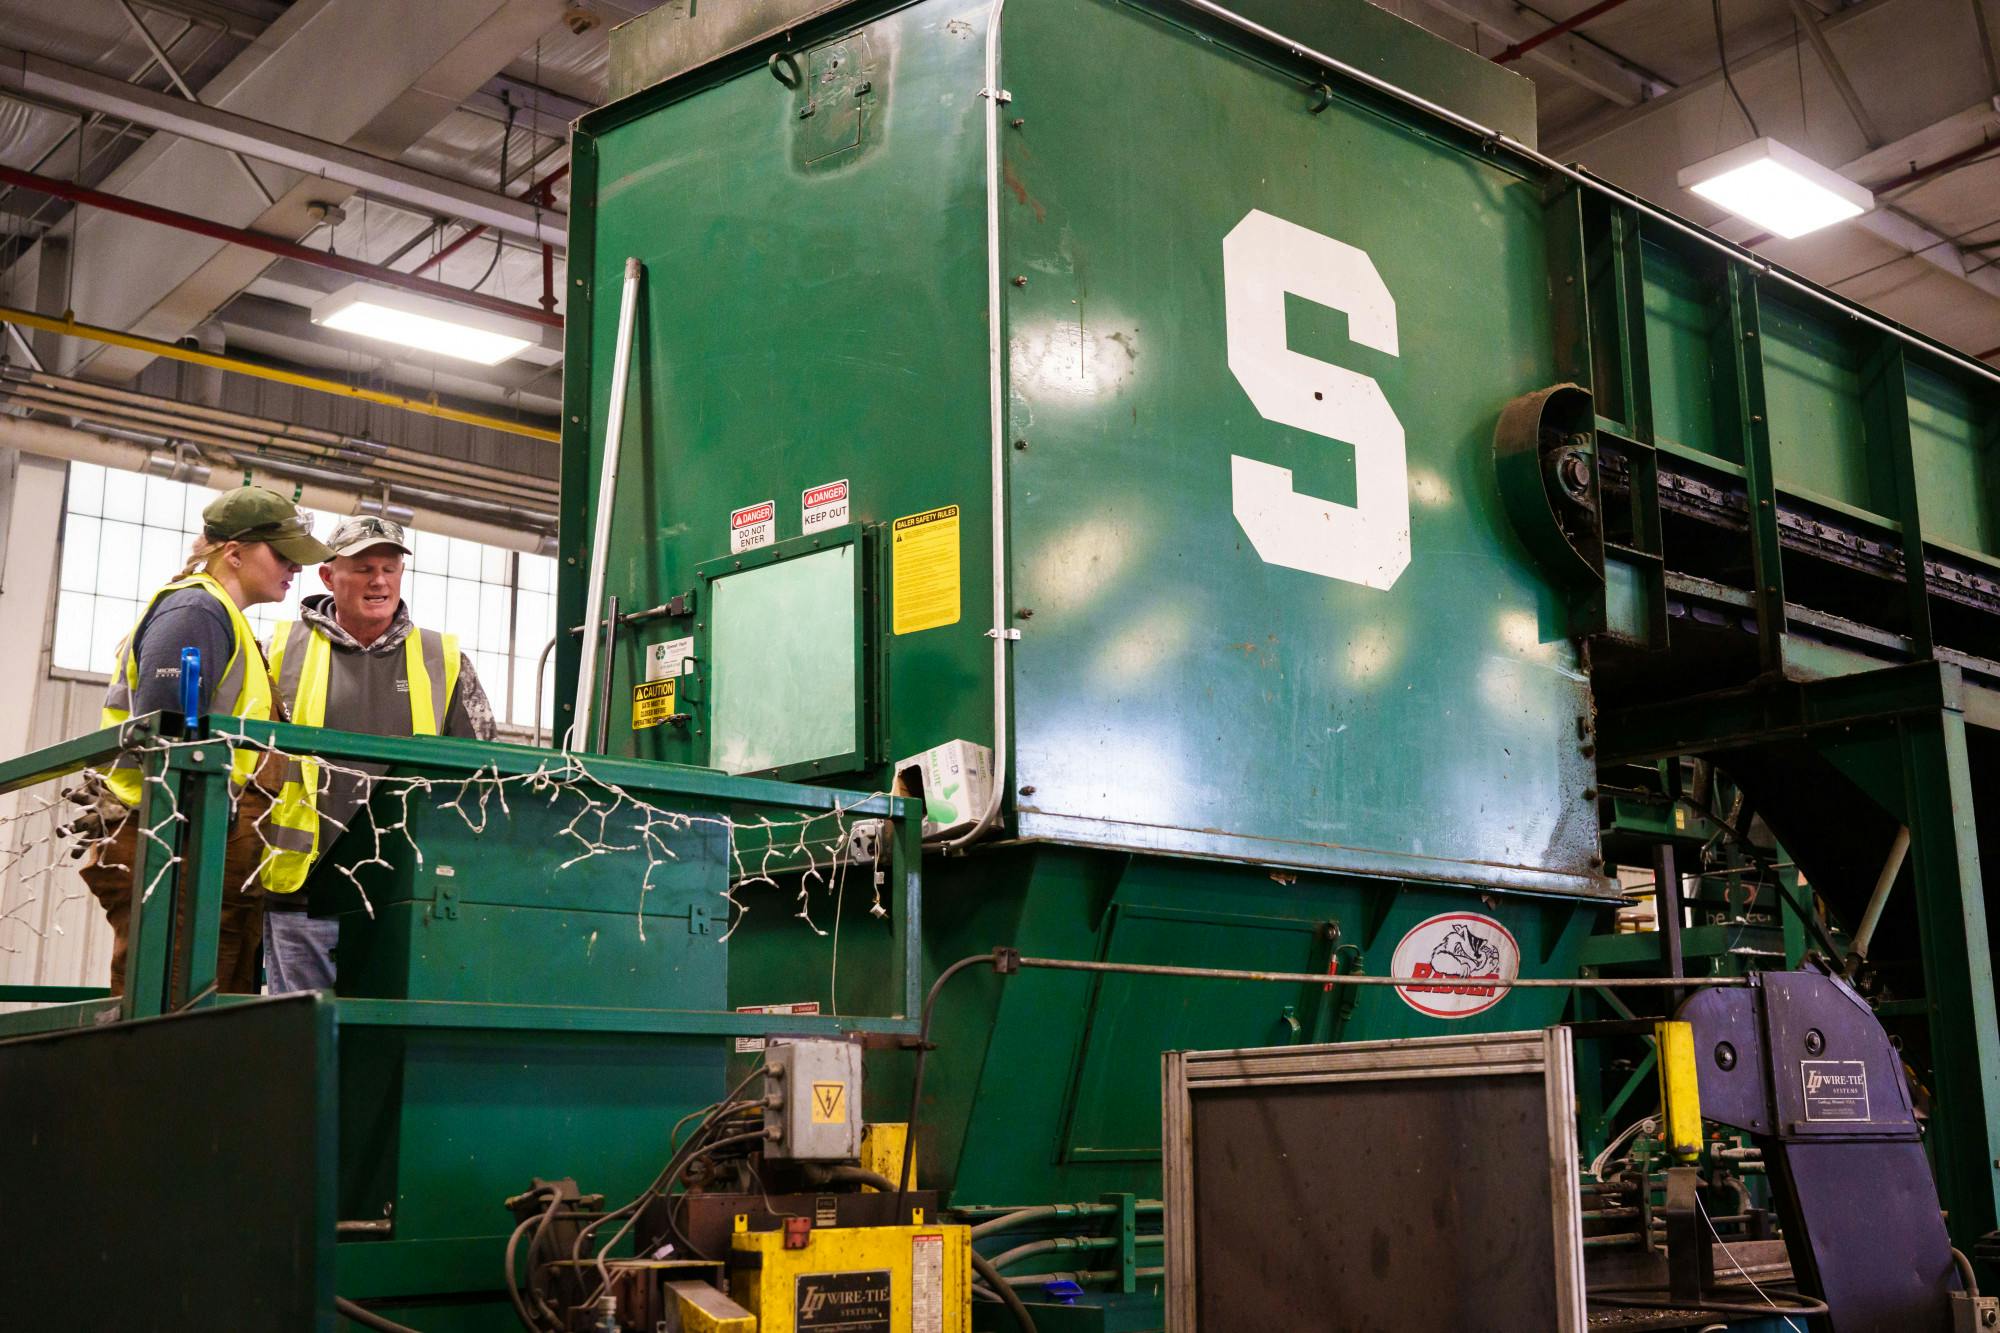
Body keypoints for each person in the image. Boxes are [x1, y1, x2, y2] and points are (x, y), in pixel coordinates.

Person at [78, 486, 335, 996]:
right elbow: (168, 736)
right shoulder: (195, 611)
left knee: (209, 1009)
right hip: (174, 844)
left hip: (203, 845)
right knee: (176, 1005)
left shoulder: (223, 617)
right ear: (234, 553)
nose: (294, 568)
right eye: (281, 554)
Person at [263, 515, 495, 993]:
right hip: (303, 892)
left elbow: (485, 777)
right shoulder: (277, 650)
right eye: (364, 568)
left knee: (392, 1044)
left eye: (390, 568)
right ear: (328, 575)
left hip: (409, 894)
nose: (380, 581)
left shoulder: (444, 660)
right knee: (303, 1041)